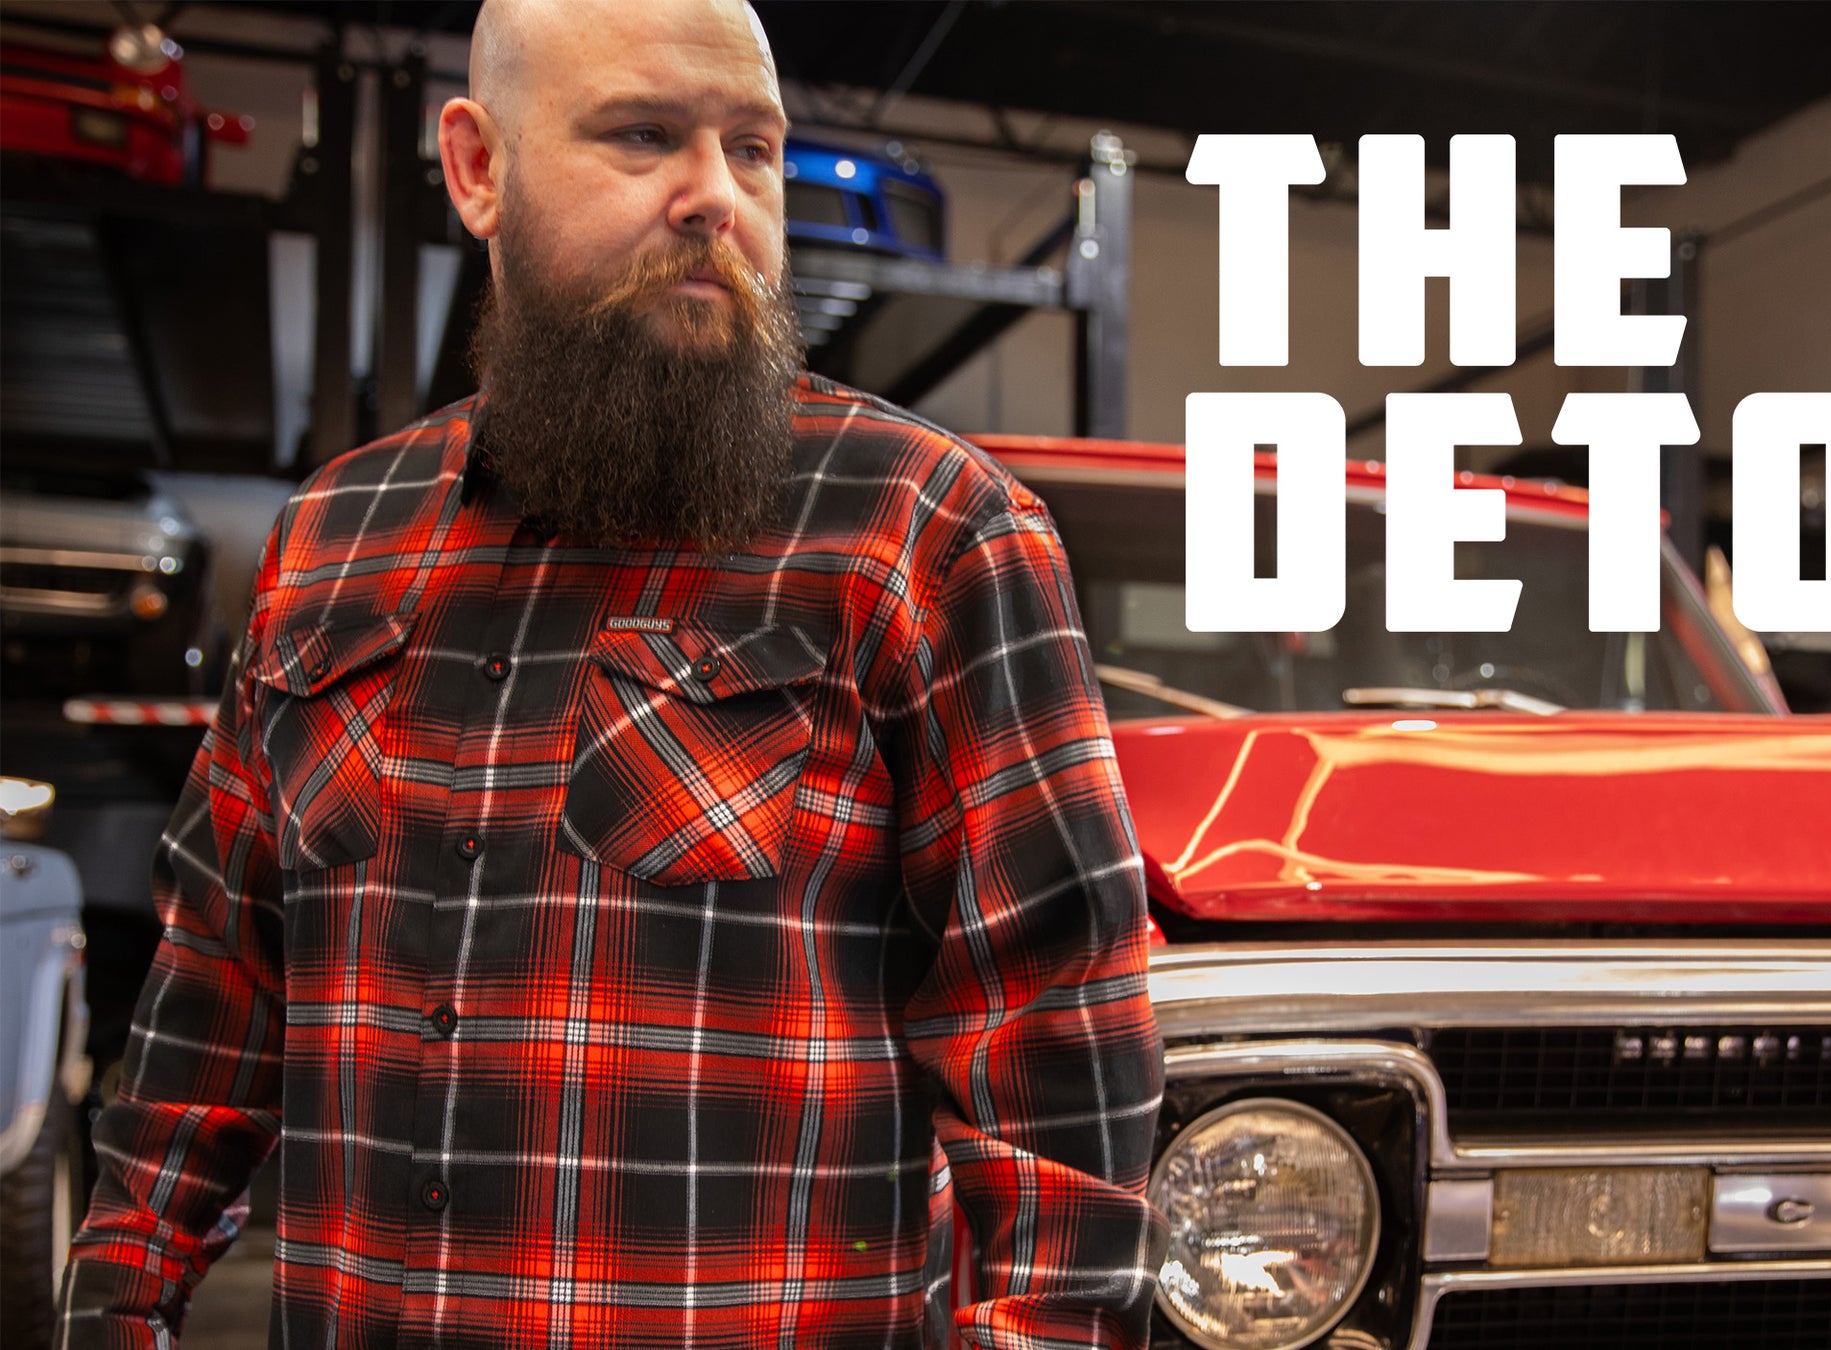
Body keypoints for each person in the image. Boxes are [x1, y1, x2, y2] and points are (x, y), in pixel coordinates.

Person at [58, 0, 1164, 1344]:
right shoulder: (331, 545)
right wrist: (115, 1308)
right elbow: (209, 1003)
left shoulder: (924, 531)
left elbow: (1057, 1063)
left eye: (751, 149)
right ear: (478, 168)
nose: (716, 197)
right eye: (643, 136)